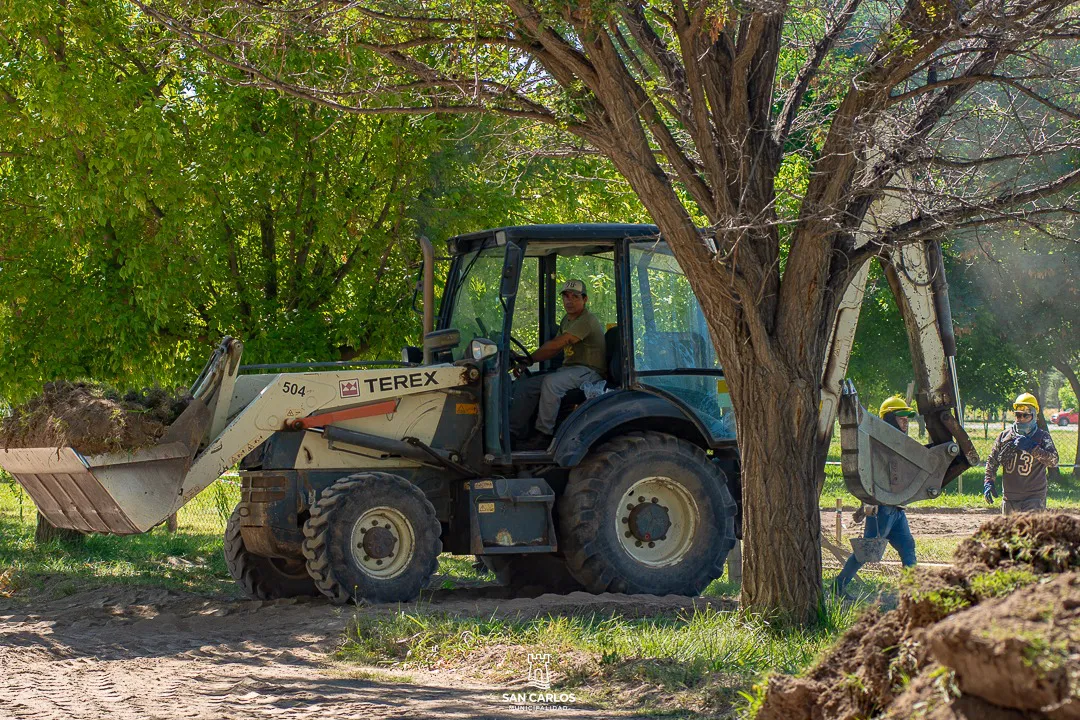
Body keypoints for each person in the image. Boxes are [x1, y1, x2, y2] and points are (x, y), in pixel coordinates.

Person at [833, 395, 918, 596]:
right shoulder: (876, 447)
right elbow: (869, 478)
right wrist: (865, 506)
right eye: (901, 418)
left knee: (908, 547)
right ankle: (838, 586)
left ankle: (910, 591)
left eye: (907, 419)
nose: (905, 422)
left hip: (896, 509)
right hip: (881, 510)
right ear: (888, 419)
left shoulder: (901, 446)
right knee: (866, 553)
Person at [509, 279, 607, 450]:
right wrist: (526, 361)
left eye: (575, 297)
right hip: (570, 370)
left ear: (585, 299)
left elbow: (558, 343)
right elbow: (554, 349)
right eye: (566, 296)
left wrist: (530, 359)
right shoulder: (567, 320)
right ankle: (511, 434)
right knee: (526, 386)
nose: (569, 301)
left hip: (589, 372)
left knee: (551, 383)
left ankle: (544, 435)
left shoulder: (586, 320)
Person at [983, 393, 1059, 515]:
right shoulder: (1005, 436)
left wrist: (1033, 448)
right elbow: (992, 461)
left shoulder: (1041, 437)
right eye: (1018, 415)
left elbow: (1054, 461)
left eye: (1025, 415)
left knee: (1030, 532)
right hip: (1010, 498)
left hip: (1034, 498)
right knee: (1009, 533)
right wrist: (988, 482)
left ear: (1034, 416)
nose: (1021, 419)